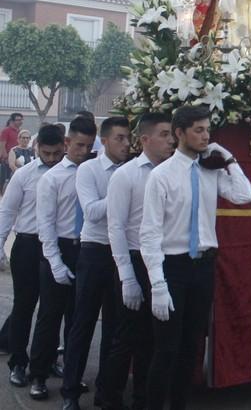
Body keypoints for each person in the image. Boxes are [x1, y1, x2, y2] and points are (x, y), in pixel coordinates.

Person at [140, 105, 251, 409]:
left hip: (203, 266)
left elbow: (245, 195)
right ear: (180, 133)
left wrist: (229, 158)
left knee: (190, 347)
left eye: (208, 130)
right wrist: (158, 284)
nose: (206, 136)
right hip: (172, 267)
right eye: (199, 130)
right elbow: (150, 233)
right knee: (166, 349)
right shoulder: (161, 176)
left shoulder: (210, 170)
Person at [102, 112, 174, 409]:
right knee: (126, 338)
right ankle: (110, 399)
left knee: (153, 340)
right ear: (145, 139)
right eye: (164, 134)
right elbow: (116, 227)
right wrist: (127, 277)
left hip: (162, 261)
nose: (171, 141)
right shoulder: (126, 175)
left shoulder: (173, 173)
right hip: (134, 260)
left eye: (172, 134)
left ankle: (143, 400)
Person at [61, 116, 133, 410]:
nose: (126, 144)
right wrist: (120, 192)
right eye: (119, 138)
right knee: (83, 323)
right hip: (94, 251)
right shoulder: (89, 169)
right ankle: (70, 392)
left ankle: (107, 391)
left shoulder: (132, 169)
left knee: (115, 327)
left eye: (128, 138)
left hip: (122, 252)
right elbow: (91, 211)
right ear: (104, 141)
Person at [26, 116, 97, 401]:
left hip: (86, 248)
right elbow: (46, 224)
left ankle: (72, 374)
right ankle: (38, 374)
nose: (84, 151)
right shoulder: (52, 178)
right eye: (79, 145)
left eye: (89, 146)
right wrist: (55, 262)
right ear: (67, 142)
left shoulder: (94, 173)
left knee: (78, 319)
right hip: (59, 248)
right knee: (49, 316)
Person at [0, 124, 65, 389]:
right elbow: (7, 211)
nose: (51, 159)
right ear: (37, 148)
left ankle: (47, 359)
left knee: (52, 310)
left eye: (56, 153)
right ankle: (18, 362)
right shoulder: (24, 175)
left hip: (58, 248)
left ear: (64, 146)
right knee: (24, 306)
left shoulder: (71, 173)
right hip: (28, 245)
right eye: (46, 153)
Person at [1, 113, 25, 189]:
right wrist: (6, 158)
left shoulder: (20, 132)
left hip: (19, 160)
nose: (20, 121)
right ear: (12, 121)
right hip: (8, 160)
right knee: (6, 180)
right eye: (18, 120)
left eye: (21, 120)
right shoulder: (6, 131)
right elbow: (2, 145)